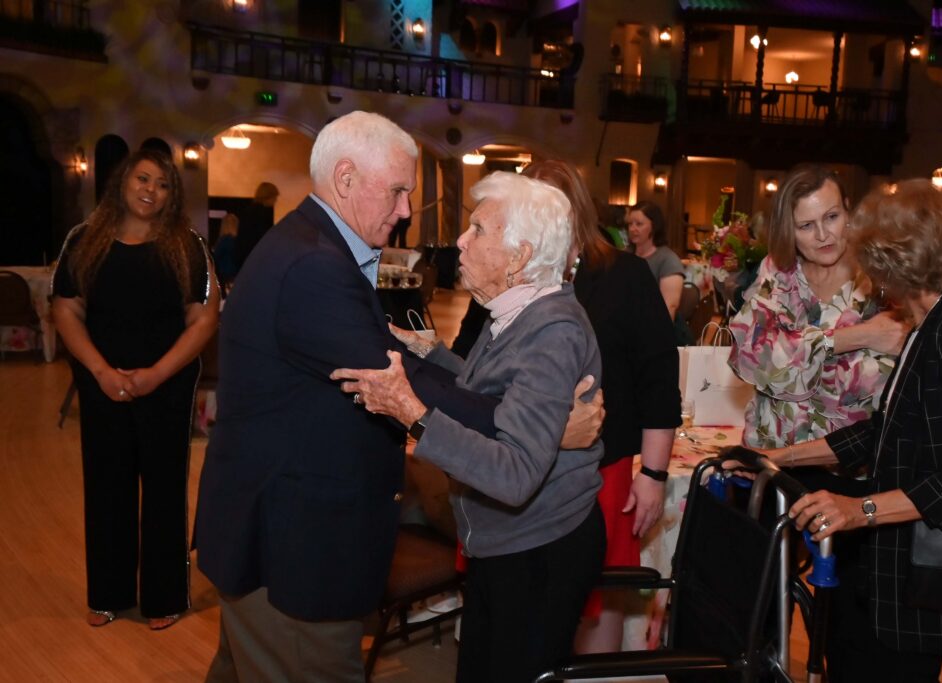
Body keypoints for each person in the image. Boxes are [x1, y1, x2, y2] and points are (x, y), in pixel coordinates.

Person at [194, 112, 601, 683]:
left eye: (478, 229)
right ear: (345, 179)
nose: (408, 210)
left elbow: (408, 378)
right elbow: (398, 379)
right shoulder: (314, 263)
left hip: (288, 532)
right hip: (289, 542)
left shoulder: (310, 245)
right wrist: (543, 426)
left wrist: (519, 418)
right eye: (398, 191)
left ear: (519, 255)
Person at [744, 179, 942, 681]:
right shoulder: (929, 324)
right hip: (892, 558)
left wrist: (862, 509)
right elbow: (884, 433)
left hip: (924, 562)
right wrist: (782, 458)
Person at [334, 171, 607, 683]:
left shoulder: (551, 333)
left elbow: (515, 473)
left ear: (520, 257)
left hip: (538, 548)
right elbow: (496, 399)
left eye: (478, 229)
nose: (460, 240)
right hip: (506, 542)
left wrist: (413, 414)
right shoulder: (516, 312)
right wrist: (431, 353)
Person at [51, 148, 219, 630]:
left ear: (172, 195)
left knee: (165, 490)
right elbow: (67, 310)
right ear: (123, 181)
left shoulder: (188, 246)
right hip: (101, 384)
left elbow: (203, 320)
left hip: (167, 387)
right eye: (143, 179)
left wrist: (156, 374)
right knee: (106, 487)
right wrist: (102, 371)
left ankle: (165, 599)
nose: (151, 191)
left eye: (163, 185)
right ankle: (109, 594)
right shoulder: (84, 240)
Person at [520, 160, 680, 653]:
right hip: (519, 470)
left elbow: (659, 380)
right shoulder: (507, 273)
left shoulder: (624, 275)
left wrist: (653, 475)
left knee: (599, 594)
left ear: (576, 210)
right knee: (525, 604)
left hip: (601, 472)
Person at [729, 165, 908, 451]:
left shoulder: (882, 276)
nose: (823, 235)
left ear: (848, 211)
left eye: (832, 217)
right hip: (771, 454)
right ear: (789, 230)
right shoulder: (778, 271)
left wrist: (795, 346)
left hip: (849, 463)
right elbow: (752, 357)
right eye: (806, 226)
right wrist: (859, 336)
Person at [627, 201, 685, 322]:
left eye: (639, 224)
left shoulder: (668, 260)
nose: (632, 229)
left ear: (654, 227)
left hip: (653, 325)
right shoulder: (625, 255)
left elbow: (669, 308)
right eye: (630, 224)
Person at [233, 181, 278, 269]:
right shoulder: (262, 213)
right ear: (268, 197)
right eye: (274, 197)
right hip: (255, 256)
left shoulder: (248, 211)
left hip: (244, 256)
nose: (275, 201)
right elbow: (263, 236)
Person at [212, 212, 239, 287]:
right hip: (236, 272)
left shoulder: (224, 240)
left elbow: (215, 256)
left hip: (224, 273)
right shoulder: (238, 241)